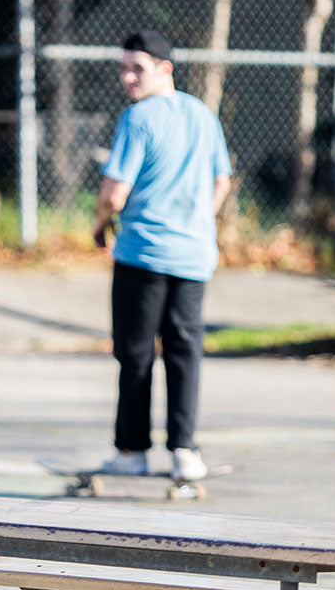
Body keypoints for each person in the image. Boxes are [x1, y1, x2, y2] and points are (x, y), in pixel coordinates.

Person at [91, 29, 231, 483]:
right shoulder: (202, 114)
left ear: (164, 69)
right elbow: (222, 181)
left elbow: (114, 193)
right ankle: (185, 452)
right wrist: (197, 220)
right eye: (124, 68)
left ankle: (131, 451)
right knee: (184, 351)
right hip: (194, 255)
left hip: (143, 255)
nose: (128, 78)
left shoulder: (138, 118)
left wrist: (99, 224)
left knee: (135, 354)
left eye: (138, 68)